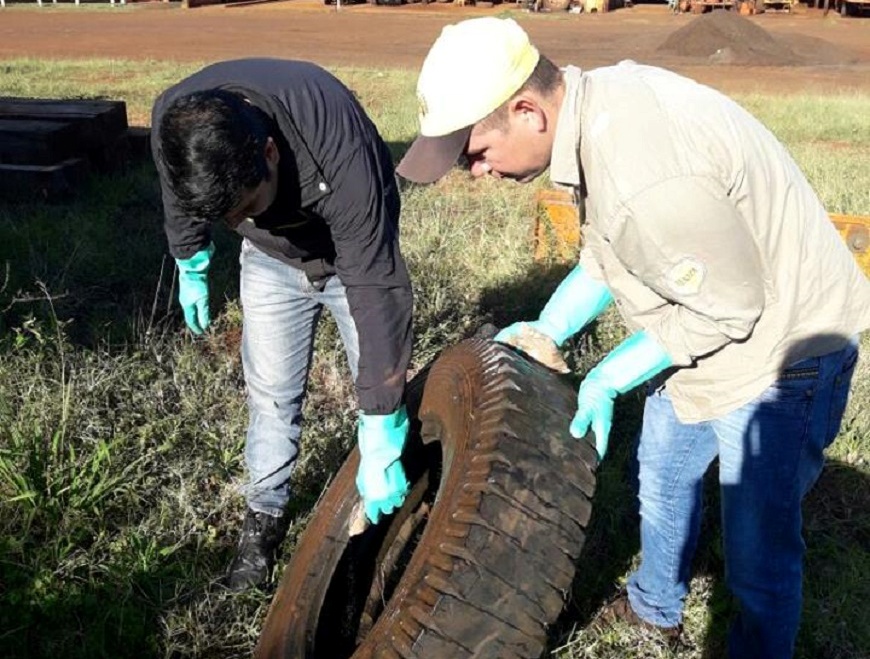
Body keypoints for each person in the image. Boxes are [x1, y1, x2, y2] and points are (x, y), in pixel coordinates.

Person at [396, 17, 870, 659]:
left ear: (528, 111)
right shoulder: (593, 116)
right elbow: (609, 248)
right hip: (708, 326)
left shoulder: (645, 175)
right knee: (664, 472)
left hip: (784, 354)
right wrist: (551, 325)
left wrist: (609, 375)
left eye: (474, 154)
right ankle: (656, 605)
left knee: (757, 547)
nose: (474, 173)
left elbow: (730, 307)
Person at [151, 58, 413, 590]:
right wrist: (190, 259)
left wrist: (382, 422)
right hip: (271, 264)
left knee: (381, 387)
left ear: (269, 151)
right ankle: (263, 522)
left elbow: (376, 285)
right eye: (229, 219)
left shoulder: (339, 148)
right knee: (271, 393)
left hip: (348, 257)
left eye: (248, 204)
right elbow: (181, 199)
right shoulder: (174, 124)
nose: (241, 220)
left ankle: (394, 507)